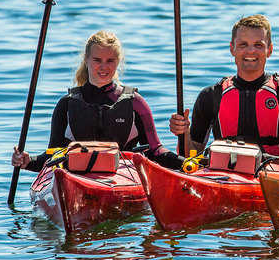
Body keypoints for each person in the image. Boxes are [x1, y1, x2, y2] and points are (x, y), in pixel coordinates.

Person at [11, 30, 182, 172]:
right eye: (97, 60)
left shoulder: (135, 103)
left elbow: (155, 151)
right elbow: (53, 155)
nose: (103, 67)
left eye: (110, 61)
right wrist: (28, 161)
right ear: (86, 60)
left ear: (118, 62)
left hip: (125, 181)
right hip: (77, 179)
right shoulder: (67, 104)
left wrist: (186, 163)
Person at [169, 14, 279, 159]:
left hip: (276, 172)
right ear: (232, 48)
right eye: (243, 44)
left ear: (270, 50)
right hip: (223, 172)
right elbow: (190, 155)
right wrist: (184, 132)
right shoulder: (211, 96)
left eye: (258, 45)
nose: (251, 51)